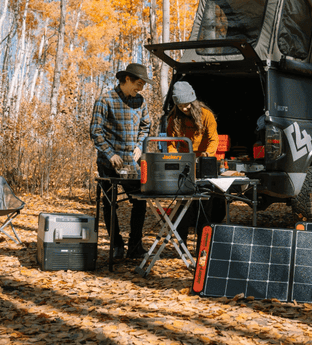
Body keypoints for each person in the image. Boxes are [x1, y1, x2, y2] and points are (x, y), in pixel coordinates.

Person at [90, 63, 152, 259]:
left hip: (132, 164)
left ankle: (135, 246)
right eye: (139, 83)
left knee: (140, 201)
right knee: (109, 204)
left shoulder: (141, 102)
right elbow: (95, 131)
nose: (141, 88)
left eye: (143, 85)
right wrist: (110, 153)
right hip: (109, 164)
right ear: (126, 79)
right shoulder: (105, 100)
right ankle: (116, 245)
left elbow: (146, 125)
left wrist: (139, 145)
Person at [165, 81, 225, 251]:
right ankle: (182, 244)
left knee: (204, 205)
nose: (184, 109)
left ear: (193, 102)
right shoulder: (173, 118)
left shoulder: (206, 115)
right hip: (185, 164)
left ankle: (202, 246)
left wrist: (206, 155)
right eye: (180, 106)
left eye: (187, 105)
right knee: (183, 206)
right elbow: (170, 142)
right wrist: (175, 157)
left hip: (204, 163)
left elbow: (214, 139)